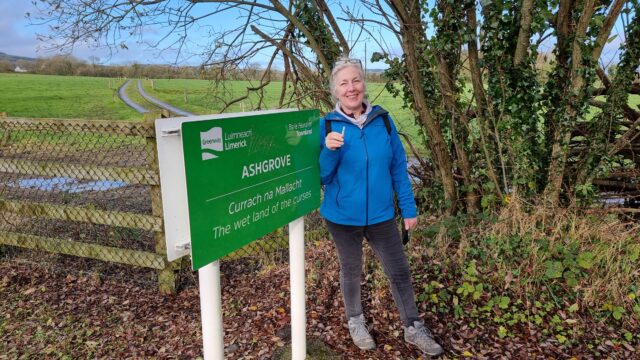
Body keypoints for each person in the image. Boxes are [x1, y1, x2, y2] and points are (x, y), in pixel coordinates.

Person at [319, 57, 444, 357]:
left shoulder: (383, 121)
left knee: (399, 270)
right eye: (344, 83)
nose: (352, 88)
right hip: (342, 217)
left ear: (364, 84)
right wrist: (329, 151)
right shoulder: (326, 125)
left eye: (356, 81)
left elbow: (398, 167)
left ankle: (413, 326)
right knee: (351, 270)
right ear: (335, 91)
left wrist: (409, 208)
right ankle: (355, 321)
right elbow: (322, 176)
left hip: (381, 215)